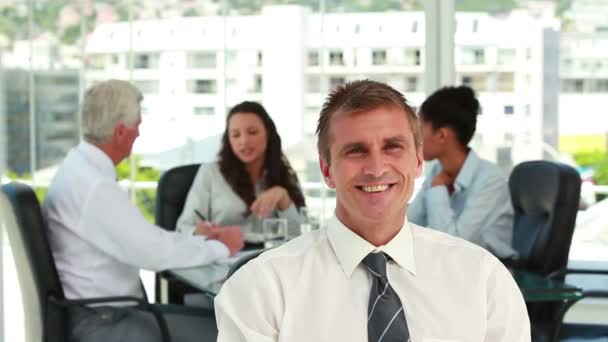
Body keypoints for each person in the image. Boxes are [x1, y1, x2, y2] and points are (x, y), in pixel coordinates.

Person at [215, 80, 530, 341]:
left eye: (393, 147)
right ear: (327, 171)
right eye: (356, 151)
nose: (377, 169)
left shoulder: (484, 280)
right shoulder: (261, 288)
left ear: (418, 161)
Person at [43, 80, 244, 342]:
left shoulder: (78, 169)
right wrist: (222, 248)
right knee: (230, 330)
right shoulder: (94, 187)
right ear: (120, 132)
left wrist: (200, 240)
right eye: (137, 125)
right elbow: (153, 252)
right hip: (105, 322)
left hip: (101, 313)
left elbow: (144, 238)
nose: (138, 133)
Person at [407, 85, 517, 261]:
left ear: (442, 135)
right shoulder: (438, 171)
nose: (413, 138)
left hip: (488, 280)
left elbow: (453, 248)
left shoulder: (491, 180)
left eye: (419, 129)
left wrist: (437, 190)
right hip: (451, 274)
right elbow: (408, 224)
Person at [176, 101, 306, 242]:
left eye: (252, 132)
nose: (244, 141)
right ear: (228, 140)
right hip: (225, 258)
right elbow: (183, 229)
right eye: (236, 135)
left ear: (268, 133)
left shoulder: (283, 174)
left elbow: (299, 238)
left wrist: (283, 198)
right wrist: (198, 232)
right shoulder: (210, 173)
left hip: (269, 258)